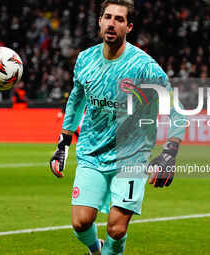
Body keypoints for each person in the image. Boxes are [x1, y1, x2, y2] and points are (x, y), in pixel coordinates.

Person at [49, 1, 186, 254]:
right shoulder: (85, 59)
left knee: (117, 229)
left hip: (131, 155)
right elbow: (77, 99)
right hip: (92, 152)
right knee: (80, 222)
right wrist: (63, 143)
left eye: (119, 19)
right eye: (108, 17)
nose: (112, 23)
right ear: (100, 21)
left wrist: (170, 152)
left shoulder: (144, 66)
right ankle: (95, 249)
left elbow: (176, 108)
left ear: (129, 26)